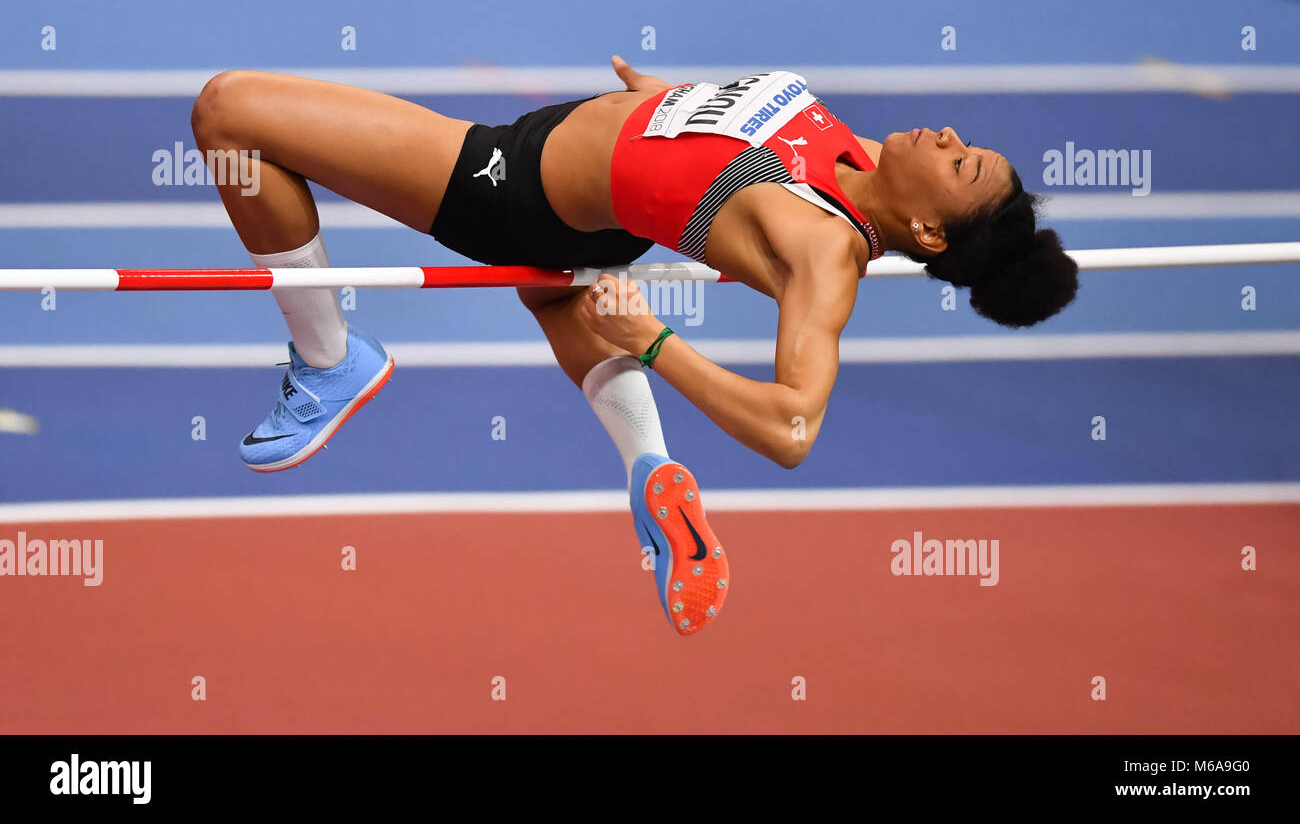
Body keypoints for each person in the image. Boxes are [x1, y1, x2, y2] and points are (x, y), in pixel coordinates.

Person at [190, 57, 1078, 635]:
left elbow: (794, 429)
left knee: (231, 113)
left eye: (961, 165)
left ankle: (328, 358)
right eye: (970, 144)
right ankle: (651, 469)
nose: (952, 138)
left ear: (926, 230)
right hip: (595, 203)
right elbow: (737, 156)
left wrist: (657, 343)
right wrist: (669, 104)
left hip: (513, 185)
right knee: (553, 288)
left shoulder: (824, 254)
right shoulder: (857, 154)